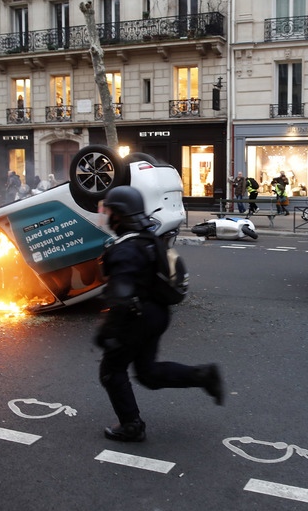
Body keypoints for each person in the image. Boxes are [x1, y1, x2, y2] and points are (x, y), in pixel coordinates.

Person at [95, 186, 224, 442]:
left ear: (119, 214)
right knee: (148, 373)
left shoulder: (125, 249)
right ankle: (203, 375)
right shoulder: (148, 239)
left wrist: (108, 331)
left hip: (136, 317)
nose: (107, 215)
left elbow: (121, 295)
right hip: (157, 314)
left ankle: (131, 425)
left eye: (109, 210)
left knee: (111, 370)